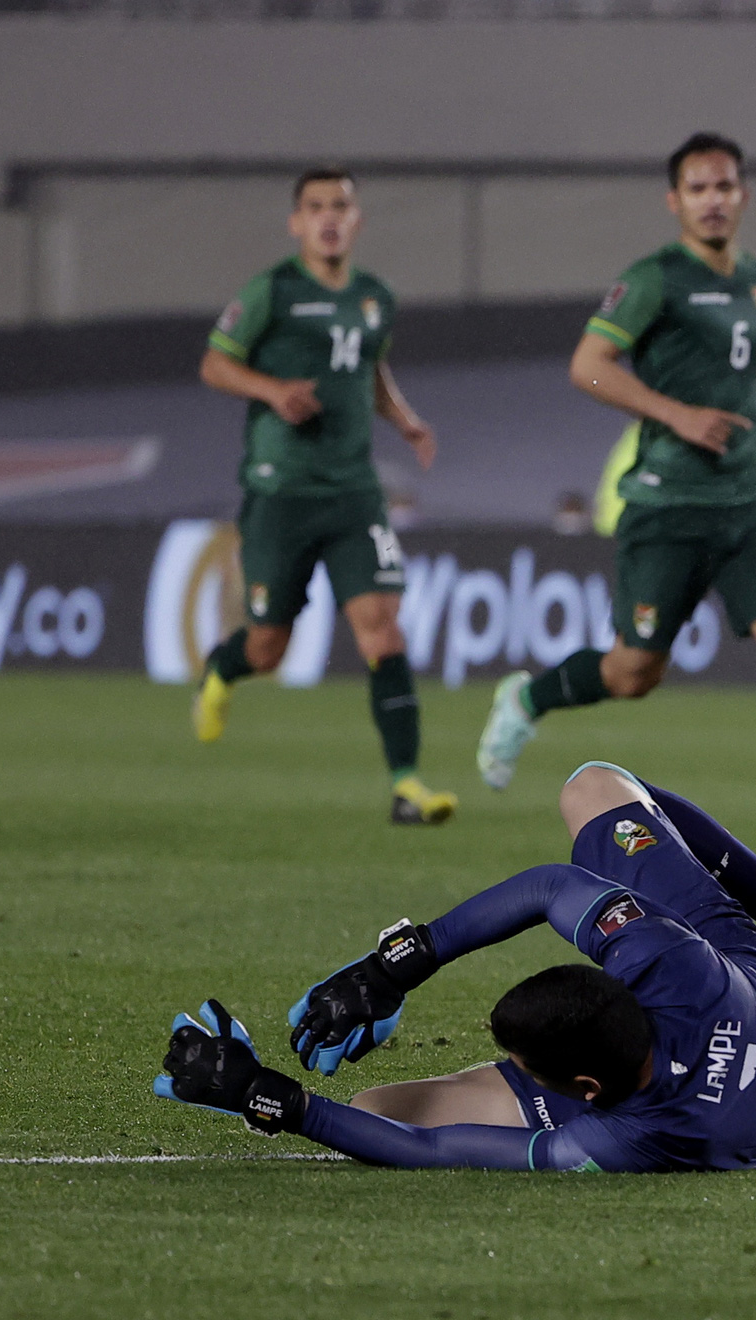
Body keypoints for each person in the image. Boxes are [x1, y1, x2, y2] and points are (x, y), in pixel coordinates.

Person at [476, 132, 756, 867]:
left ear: (743, 195)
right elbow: (588, 365)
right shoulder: (654, 279)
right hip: (667, 506)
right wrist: (676, 415)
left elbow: (752, 358)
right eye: (699, 189)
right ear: (675, 201)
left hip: (747, 504)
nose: (714, 200)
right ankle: (526, 700)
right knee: (633, 673)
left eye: (726, 186)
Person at [153, 761, 756, 1173]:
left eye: (526, 1063)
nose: (515, 1063)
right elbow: (550, 888)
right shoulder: (671, 955)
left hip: (752, 1113)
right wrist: (393, 967)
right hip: (753, 987)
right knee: (596, 788)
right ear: (615, 977)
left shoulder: (617, 1138)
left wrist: (273, 1099)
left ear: (585, 1092)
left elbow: (431, 1148)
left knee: (376, 1115)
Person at [193, 167, 457, 826]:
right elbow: (214, 364)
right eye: (315, 207)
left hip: (353, 494)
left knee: (383, 628)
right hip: (280, 492)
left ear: (357, 217)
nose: (329, 218)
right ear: (297, 222)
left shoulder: (374, 297)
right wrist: (273, 392)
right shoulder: (273, 291)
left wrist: (403, 418)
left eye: (340, 205)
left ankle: (408, 786)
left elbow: (368, 368)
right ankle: (223, 670)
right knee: (267, 647)